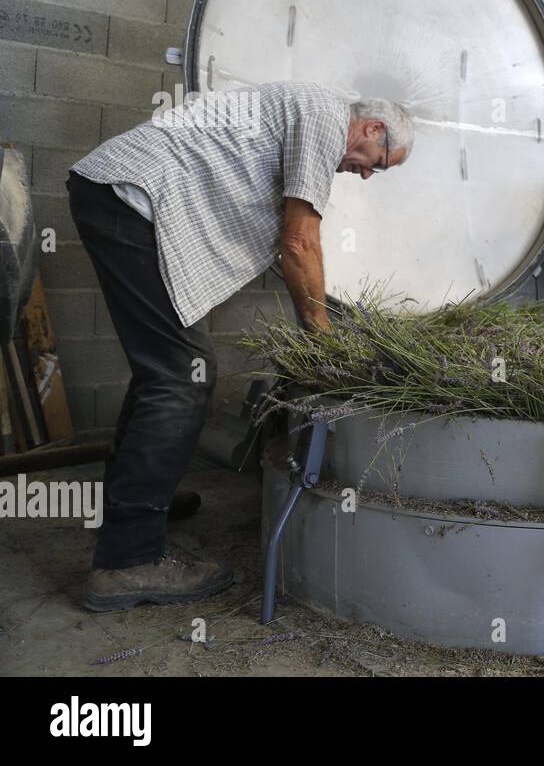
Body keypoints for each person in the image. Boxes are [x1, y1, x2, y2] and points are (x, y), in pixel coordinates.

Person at [67, 82, 413, 611]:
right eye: (378, 163)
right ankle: (128, 560)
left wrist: (338, 316)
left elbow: (289, 249)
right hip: (130, 196)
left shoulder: (304, 115)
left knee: (164, 369)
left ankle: (134, 506)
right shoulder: (324, 114)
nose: (366, 174)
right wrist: (322, 341)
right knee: (184, 374)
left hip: (118, 195)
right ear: (371, 128)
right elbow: (299, 242)